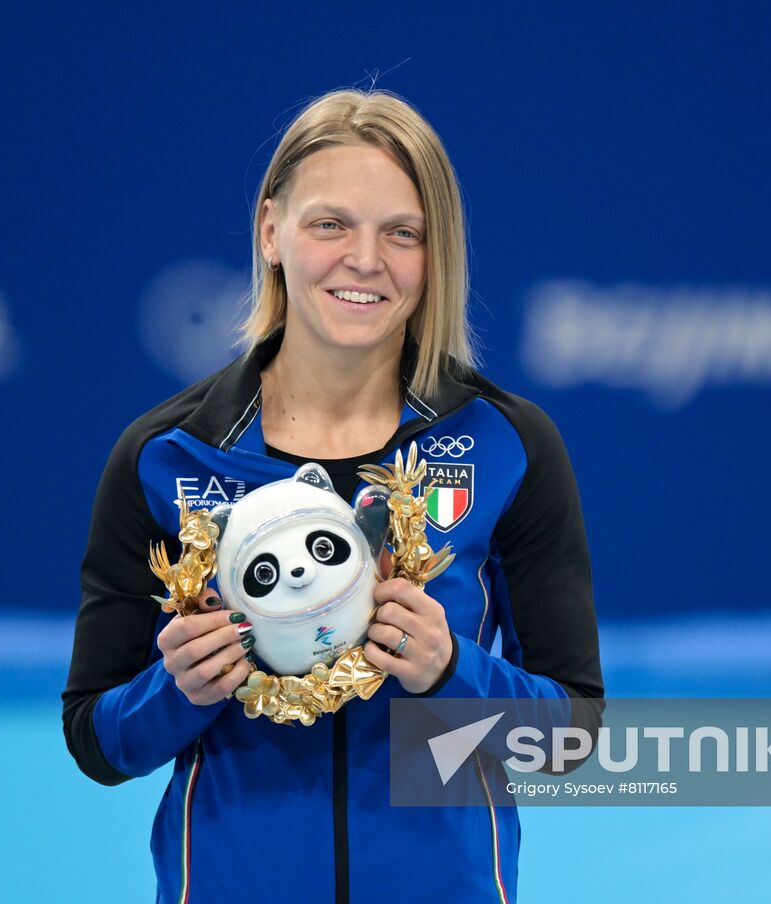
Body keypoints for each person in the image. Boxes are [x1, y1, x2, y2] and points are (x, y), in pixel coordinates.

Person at [63, 88, 603, 904]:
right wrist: (177, 691)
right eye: (330, 225)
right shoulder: (165, 456)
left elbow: (571, 737)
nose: (365, 259)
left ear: (436, 254)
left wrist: (452, 673)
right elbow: (96, 742)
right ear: (270, 231)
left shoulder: (504, 446)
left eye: (402, 233)